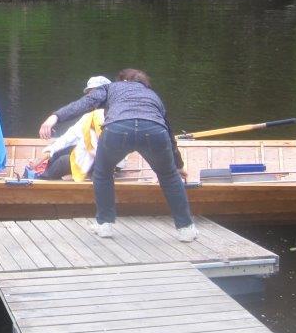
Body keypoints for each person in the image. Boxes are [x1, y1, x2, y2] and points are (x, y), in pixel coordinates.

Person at [45, 68, 196, 241]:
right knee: (169, 177)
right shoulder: (153, 95)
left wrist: (56, 117)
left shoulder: (111, 87)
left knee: (103, 173)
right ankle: (186, 228)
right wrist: (178, 165)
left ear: (123, 80)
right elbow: (169, 134)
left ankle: (104, 224)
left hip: (118, 129)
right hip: (154, 130)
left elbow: (86, 102)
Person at [38, 75, 111, 181]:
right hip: (94, 155)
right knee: (58, 152)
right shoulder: (90, 117)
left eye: (94, 92)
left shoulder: (112, 115)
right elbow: (70, 136)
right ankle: (46, 176)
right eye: (89, 93)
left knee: (62, 162)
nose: (91, 96)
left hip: (106, 161)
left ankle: (41, 180)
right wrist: (50, 151)